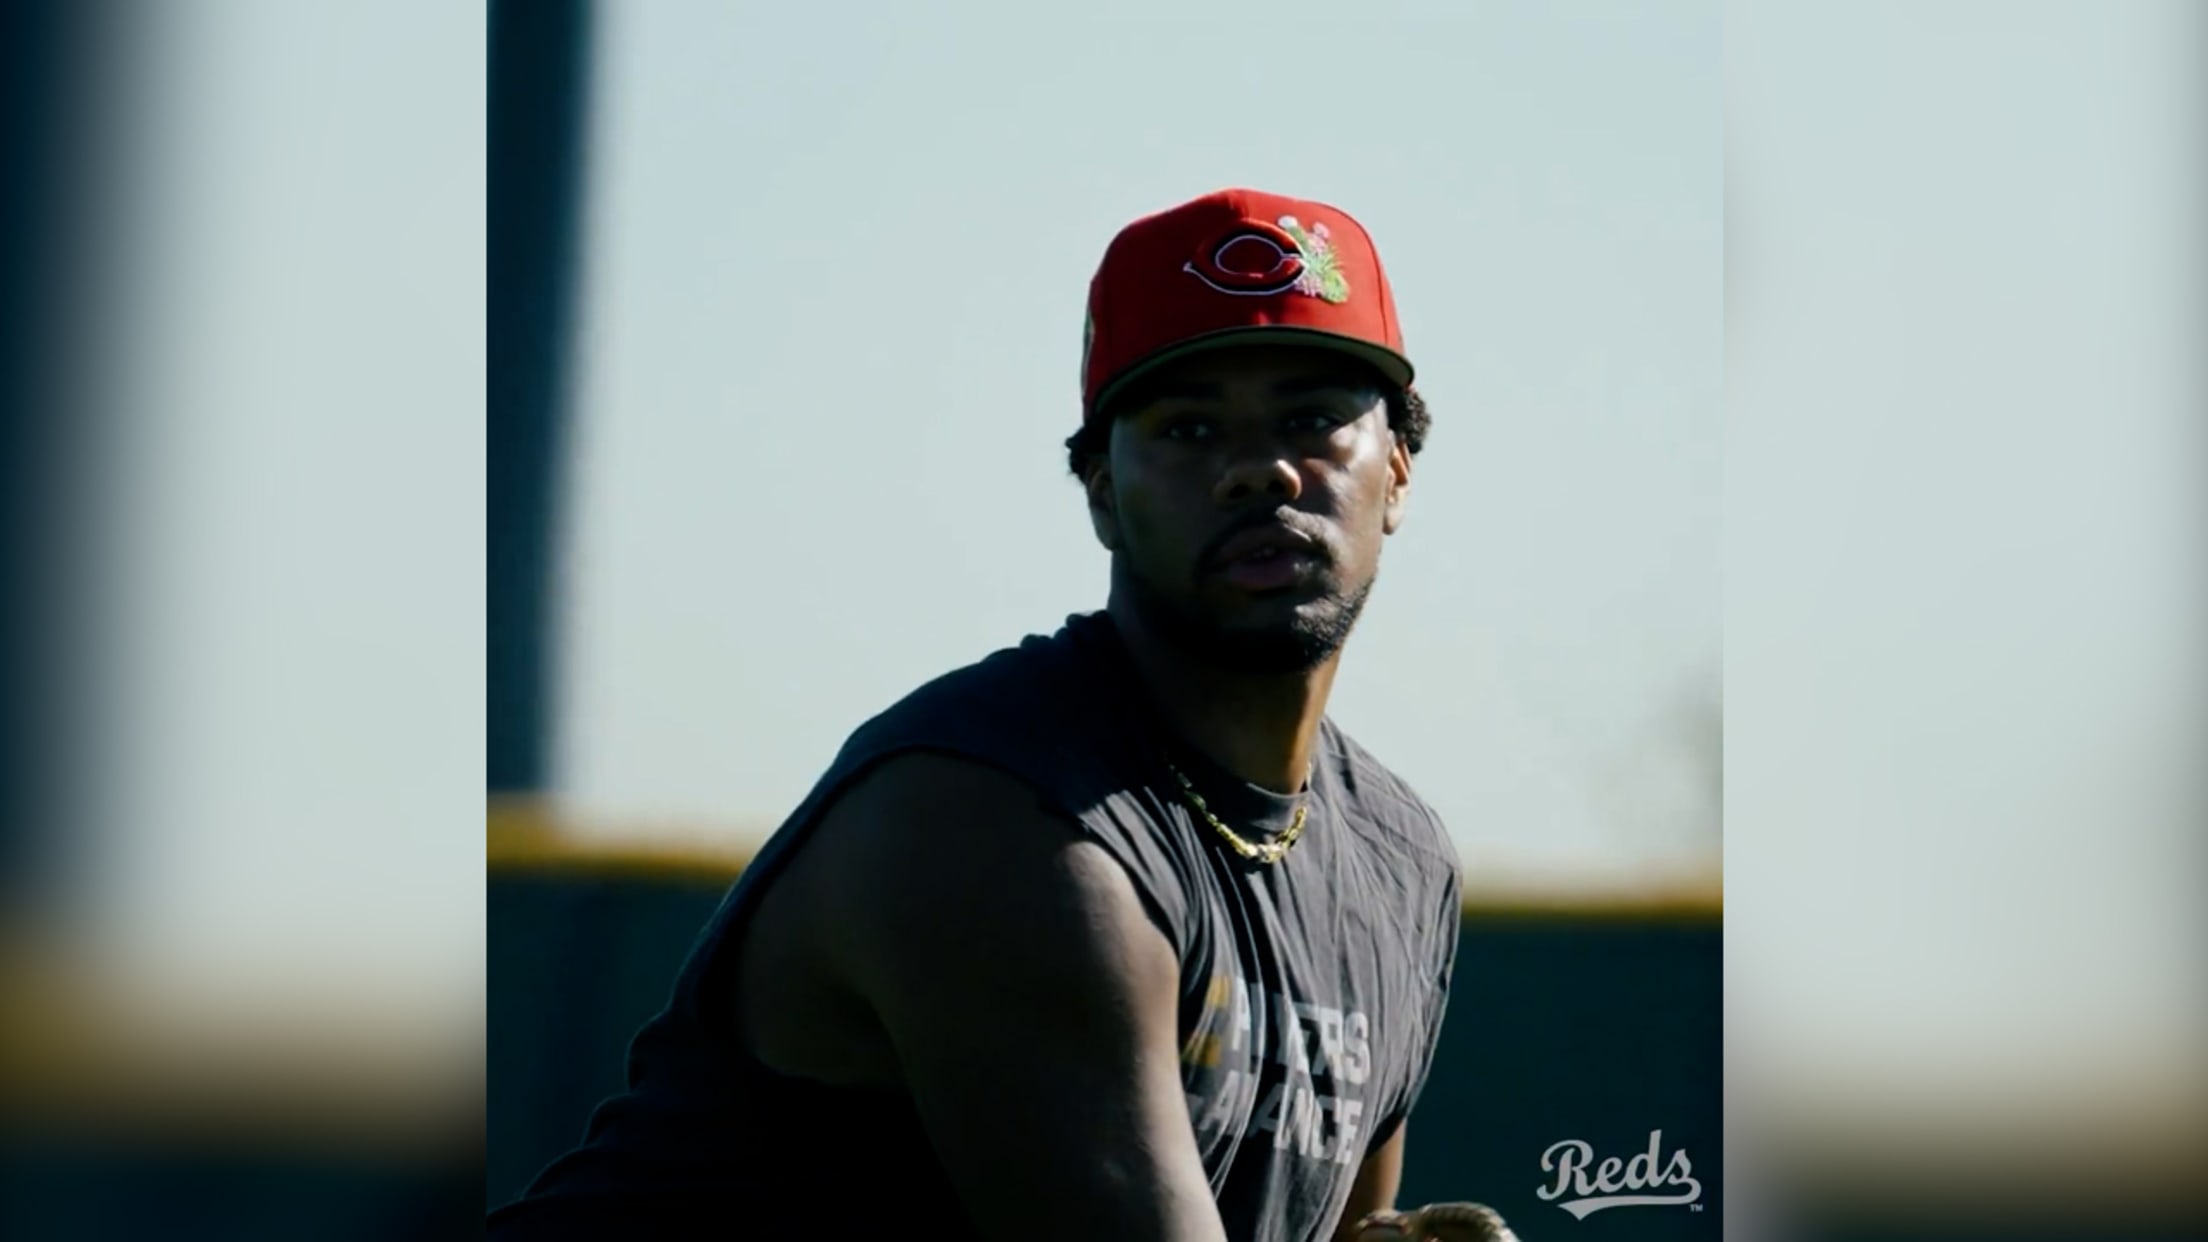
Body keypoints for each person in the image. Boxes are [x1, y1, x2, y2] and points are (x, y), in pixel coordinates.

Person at [489, 188, 1512, 1241]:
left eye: (1311, 417)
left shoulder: (1399, 863)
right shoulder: (999, 820)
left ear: (1394, 472)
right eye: (1191, 428)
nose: (1261, 468)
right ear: (1103, 493)